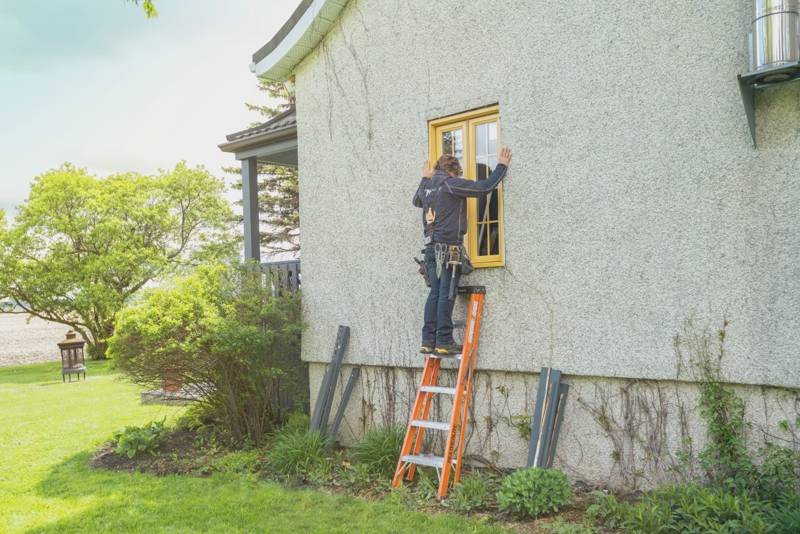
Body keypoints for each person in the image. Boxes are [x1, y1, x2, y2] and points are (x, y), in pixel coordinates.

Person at [413, 147, 513, 355]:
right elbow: (484, 187)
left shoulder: (427, 187)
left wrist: (424, 179)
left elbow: (416, 200)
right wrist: (501, 166)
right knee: (445, 295)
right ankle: (444, 341)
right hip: (449, 250)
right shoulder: (451, 184)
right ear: (453, 172)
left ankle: (427, 340)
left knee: (434, 293)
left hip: (430, 250)